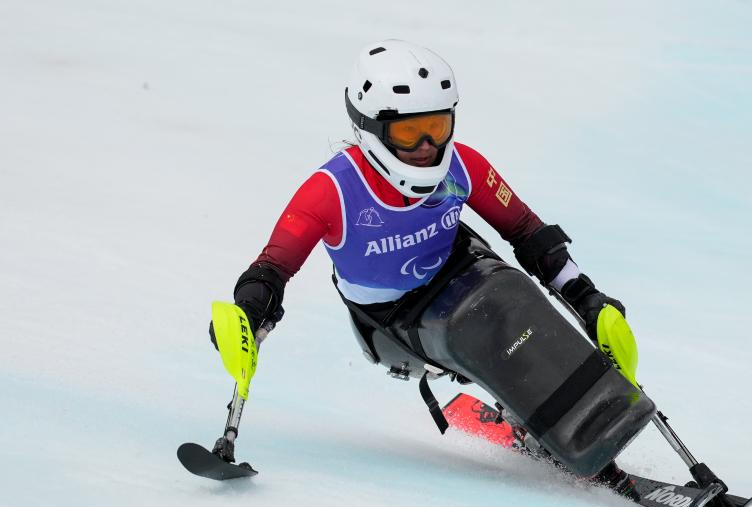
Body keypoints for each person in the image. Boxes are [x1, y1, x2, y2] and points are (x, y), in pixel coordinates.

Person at [213, 39, 654, 480]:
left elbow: (528, 233)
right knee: (480, 320)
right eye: (409, 133)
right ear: (371, 130)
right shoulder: (333, 191)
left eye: (437, 127)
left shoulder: (463, 165)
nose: (427, 145)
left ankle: (592, 414)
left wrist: (586, 297)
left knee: (513, 298)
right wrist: (247, 314)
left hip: (461, 268)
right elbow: (271, 268)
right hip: (389, 318)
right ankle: (564, 435)